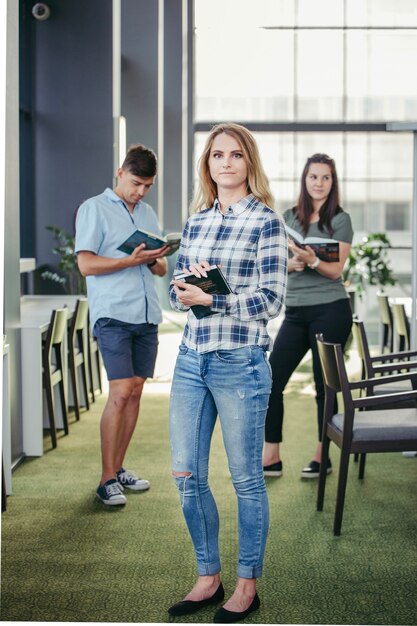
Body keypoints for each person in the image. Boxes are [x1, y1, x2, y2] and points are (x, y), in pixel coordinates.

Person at [167, 123, 287, 623]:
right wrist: (182, 291)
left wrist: (211, 299)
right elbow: (179, 290)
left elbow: (272, 300)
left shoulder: (267, 223)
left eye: (236, 155)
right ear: (208, 164)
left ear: (248, 163)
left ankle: (246, 584)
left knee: (245, 479)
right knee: (187, 474)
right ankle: (208, 576)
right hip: (192, 358)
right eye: (217, 154)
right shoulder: (196, 221)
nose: (226, 163)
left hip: (240, 363)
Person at [75, 144, 169, 506]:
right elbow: (86, 265)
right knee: (119, 391)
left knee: (135, 392)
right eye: (135, 183)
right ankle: (105, 479)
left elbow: (159, 269)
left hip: (147, 315)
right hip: (113, 314)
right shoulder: (93, 209)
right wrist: (129, 261)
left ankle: (118, 469)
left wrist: (154, 259)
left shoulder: (147, 212)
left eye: (147, 186)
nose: (140, 192)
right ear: (120, 172)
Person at [262, 153, 353, 480]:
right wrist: (292, 263)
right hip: (297, 312)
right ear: (305, 180)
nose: (319, 183)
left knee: (323, 386)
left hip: (331, 309)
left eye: (325, 177)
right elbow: (274, 263)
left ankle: (322, 455)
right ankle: (271, 454)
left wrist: (313, 261)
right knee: (271, 378)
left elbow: (334, 271)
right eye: (313, 177)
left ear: (332, 182)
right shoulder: (288, 217)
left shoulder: (340, 220)